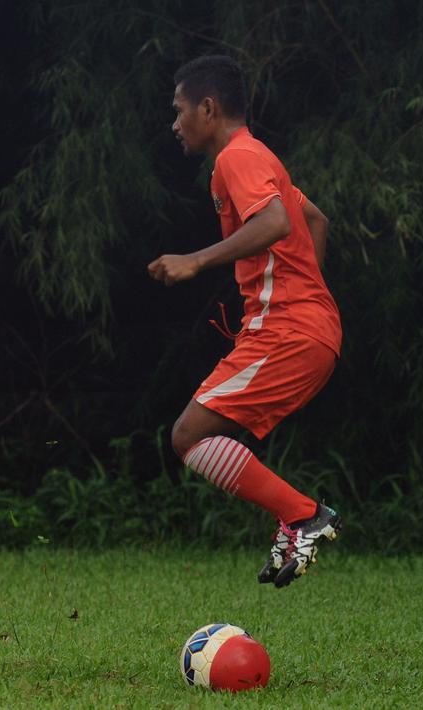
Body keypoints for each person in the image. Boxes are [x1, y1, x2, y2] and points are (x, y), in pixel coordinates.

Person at [148, 56, 343, 588]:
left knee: (188, 435)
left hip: (289, 331)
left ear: (207, 109)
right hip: (303, 328)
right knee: (202, 434)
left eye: (179, 109)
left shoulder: (237, 157)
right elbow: (313, 219)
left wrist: (197, 259)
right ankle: (293, 517)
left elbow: (278, 222)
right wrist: (307, 297)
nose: (175, 122)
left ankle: (303, 514)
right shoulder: (259, 157)